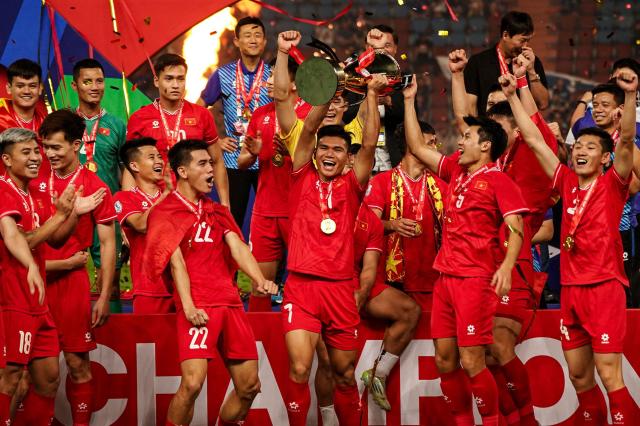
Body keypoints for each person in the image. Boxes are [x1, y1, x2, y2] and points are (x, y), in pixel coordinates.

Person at [510, 68, 640, 425]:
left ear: (605, 158)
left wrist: (629, 96)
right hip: (570, 289)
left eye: (590, 147)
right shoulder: (566, 180)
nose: (581, 150)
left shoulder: (614, 182)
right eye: (579, 145)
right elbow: (536, 140)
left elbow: (626, 139)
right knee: (579, 377)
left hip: (604, 286)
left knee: (609, 375)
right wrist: (513, 93)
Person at [403, 76, 528, 425]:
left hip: (474, 279)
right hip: (445, 278)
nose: (459, 141)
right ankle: (462, 421)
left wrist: (506, 266)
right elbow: (416, 145)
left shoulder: (499, 180)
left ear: (485, 145)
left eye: (467, 137)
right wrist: (410, 100)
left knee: (473, 360)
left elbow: (516, 224)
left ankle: (492, 422)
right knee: (445, 360)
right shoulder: (456, 171)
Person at [279, 26, 385, 423]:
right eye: (325, 147)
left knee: (343, 375)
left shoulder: (353, 184)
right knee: (300, 369)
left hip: (341, 289)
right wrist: (328, 89)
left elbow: (371, 143)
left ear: (346, 158)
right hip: (302, 286)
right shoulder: (301, 174)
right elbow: (307, 129)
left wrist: (371, 94)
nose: (328, 153)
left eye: (337, 149)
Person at [141, 139, 277, 426]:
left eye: (211, 164)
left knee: (250, 386)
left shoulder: (218, 211)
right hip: (198, 306)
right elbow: (175, 263)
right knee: (192, 384)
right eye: (202, 164)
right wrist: (188, 307)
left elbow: (237, 246)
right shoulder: (166, 212)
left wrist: (259, 279)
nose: (211, 170)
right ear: (182, 171)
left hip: (229, 303)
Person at [0, 127, 87, 425]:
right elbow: (18, 238)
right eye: (26, 152)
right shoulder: (2, 189)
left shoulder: (35, 192)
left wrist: (73, 213)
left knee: (49, 378)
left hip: (38, 302)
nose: (37, 157)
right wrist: (32, 266)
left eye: (36, 151)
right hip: (12, 297)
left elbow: (55, 239)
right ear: (7, 160)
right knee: (11, 378)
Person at [37, 109, 116, 425]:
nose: (49, 154)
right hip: (33, 282)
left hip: (72, 284)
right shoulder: (34, 176)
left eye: (56, 147)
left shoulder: (94, 185)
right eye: (46, 147)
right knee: (32, 369)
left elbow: (108, 243)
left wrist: (105, 293)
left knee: (77, 364)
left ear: (76, 144)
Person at [360, 120, 445, 410]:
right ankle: (379, 374)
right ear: (411, 143)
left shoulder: (442, 185)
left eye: (434, 144)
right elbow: (366, 226)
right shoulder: (381, 182)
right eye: (429, 143)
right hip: (391, 281)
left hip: (431, 281)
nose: (434, 150)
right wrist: (391, 224)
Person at [237, 52, 311, 312]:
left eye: (275, 77)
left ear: (293, 83)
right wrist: (254, 152)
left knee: (305, 284)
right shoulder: (260, 114)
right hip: (266, 211)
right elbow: (242, 161)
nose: (269, 82)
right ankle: (258, 345)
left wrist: (292, 148)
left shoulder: (309, 112)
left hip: (300, 211)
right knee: (260, 286)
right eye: (269, 77)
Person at [126, 53, 229, 206]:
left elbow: (218, 161)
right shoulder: (140, 118)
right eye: (169, 79)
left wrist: (225, 205)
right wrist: (130, 208)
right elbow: (131, 167)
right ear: (156, 81)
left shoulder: (202, 115)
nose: (175, 85)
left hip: (193, 201)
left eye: (180, 79)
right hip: (155, 202)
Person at [198, 16, 271, 228]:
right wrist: (215, 141)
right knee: (233, 220)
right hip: (233, 159)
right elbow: (196, 110)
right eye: (247, 35)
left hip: (267, 159)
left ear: (265, 41)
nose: (253, 40)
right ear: (237, 41)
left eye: (258, 35)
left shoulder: (274, 74)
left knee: (270, 220)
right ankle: (231, 261)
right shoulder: (223, 74)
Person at [71, 58, 127, 311]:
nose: (94, 86)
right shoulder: (65, 124)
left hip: (107, 213)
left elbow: (126, 169)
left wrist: (124, 208)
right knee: (71, 282)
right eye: (87, 81)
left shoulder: (117, 125)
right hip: (72, 212)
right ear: (75, 86)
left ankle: (112, 344)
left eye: (99, 81)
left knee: (110, 285)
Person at [114, 138, 173, 314]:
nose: (159, 161)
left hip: (181, 289)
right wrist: (167, 195)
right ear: (135, 166)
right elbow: (141, 225)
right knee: (151, 341)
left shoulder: (174, 196)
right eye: (151, 157)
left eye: (159, 156)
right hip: (149, 290)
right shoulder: (123, 198)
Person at [344, 24, 406, 172]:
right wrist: (371, 96)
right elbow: (347, 115)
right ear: (368, 48)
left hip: (393, 163)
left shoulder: (403, 81)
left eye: (387, 45)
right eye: (376, 47)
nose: (382, 50)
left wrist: (387, 100)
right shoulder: (353, 77)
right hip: (357, 160)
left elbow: (406, 116)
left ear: (396, 49)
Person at [464, 11, 549, 115]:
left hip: (522, 130)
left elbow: (543, 104)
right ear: (505, 35)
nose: (525, 46)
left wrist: (531, 71)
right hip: (489, 129)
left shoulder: (532, 62)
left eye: (528, 41)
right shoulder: (478, 63)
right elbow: (470, 107)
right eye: (522, 40)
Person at [566, 58, 640, 146]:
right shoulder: (592, 108)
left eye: (627, 80)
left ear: (637, 82)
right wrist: (583, 103)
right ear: (610, 78)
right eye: (619, 78)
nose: (622, 84)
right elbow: (573, 140)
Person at [0, 59, 48, 174]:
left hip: (41, 188)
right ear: (8, 88)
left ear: (40, 88)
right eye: (20, 86)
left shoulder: (48, 124)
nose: (26, 91)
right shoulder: (1, 117)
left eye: (32, 86)